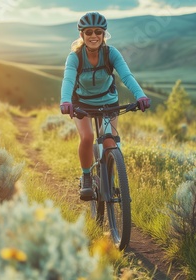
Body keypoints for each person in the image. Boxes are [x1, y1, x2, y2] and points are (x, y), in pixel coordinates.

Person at [60, 11, 151, 201]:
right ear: (82, 35)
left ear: (104, 34)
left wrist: (140, 95)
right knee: (88, 137)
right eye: (89, 32)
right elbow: (68, 79)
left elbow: (126, 76)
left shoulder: (111, 53)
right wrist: (66, 101)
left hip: (108, 102)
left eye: (98, 32)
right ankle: (86, 177)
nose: (94, 36)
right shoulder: (75, 57)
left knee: (110, 140)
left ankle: (107, 182)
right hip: (82, 104)